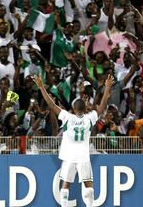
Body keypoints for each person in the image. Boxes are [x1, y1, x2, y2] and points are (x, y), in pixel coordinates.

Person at [33, 74, 113, 207]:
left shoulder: (68, 117)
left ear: (74, 109)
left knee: (66, 184)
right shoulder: (89, 119)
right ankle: (90, 205)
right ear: (84, 109)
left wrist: (42, 87)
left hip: (69, 156)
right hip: (83, 156)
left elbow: (52, 105)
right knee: (88, 183)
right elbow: (101, 107)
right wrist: (107, 88)